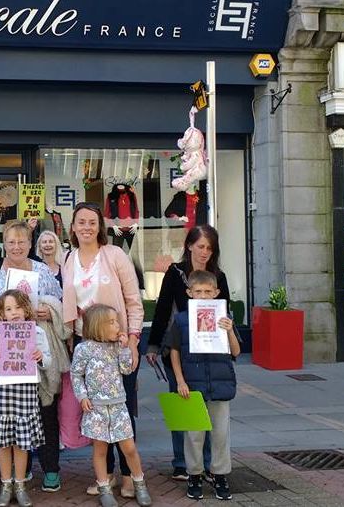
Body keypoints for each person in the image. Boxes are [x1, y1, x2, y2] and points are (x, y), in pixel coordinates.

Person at [62, 202, 143, 498]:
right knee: (97, 413)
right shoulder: (68, 259)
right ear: (73, 227)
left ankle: (129, 475)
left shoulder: (115, 255)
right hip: (87, 346)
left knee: (122, 410)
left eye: (92, 222)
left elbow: (133, 299)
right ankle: (105, 474)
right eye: (81, 222)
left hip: (118, 343)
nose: (86, 227)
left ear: (100, 227)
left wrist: (133, 341)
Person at [0, 220, 66, 492]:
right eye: (11, 242)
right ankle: (22, 469)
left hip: (36, 348)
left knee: (44, 410)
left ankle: (50, 468)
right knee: (12, 413)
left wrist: (48, 312)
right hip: (5, 354)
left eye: (22, 241)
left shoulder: (41, 271)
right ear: (3, 244)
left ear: (30, 244)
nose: (17, 246)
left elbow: (61, 304)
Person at [145, 224, 229, 481]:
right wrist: (154, 344)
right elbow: (162, 309)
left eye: (209, 248)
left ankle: (205, 464)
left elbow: (224, 313)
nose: (205, 252)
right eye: (201, 246)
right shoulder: (176, 273)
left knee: (208, 409)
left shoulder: (218, 276)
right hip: (179, 351)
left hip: (210, 352)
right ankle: (182, 463)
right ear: (189, 246)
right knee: (183, 405)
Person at [167, 270, 240, 501]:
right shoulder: (180, 320)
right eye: (198, 292)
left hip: (219, 384)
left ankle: (219, 475)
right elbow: (174, 352)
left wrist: (229, 330)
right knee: (194, 434)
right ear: (189, 293)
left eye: (208, 292)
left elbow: (236, 351)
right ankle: (194, 475)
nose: (203, 296)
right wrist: (180, 381)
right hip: (192, 385)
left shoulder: (224, 317)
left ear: (217, 293)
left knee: (220, 434)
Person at [71, 304, 152, 507]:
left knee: (130, 448)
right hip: (96, 408)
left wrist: (125, 348)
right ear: (99, 326)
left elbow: (126, 370)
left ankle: (139, 483)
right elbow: (76, 374)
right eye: (113, 322)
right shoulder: (83, 349)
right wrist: (82, 396)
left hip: (118, 407)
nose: (118, 325)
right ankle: (104, 487)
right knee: (100, 450)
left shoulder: (117, 346)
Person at [0, 289, 51, 507]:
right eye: (8, 309)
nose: (14, 313)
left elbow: (48, 362)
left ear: (26, 309)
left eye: (18, 307)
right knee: (2, 442)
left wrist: (40, 357)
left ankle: (20, 485)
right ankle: (5, 485)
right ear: (1, 314)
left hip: (26, 391)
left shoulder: (37, 333)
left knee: (22, 443)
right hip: (2, 390)